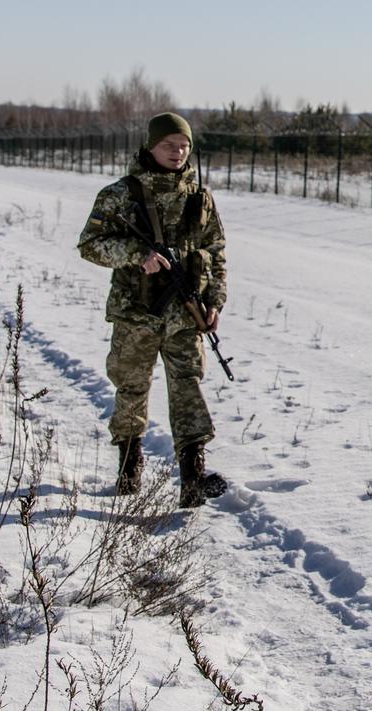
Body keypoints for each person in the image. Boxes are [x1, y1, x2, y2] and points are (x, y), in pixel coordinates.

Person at [78, 111, 228, 508]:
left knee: (188, 387)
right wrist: (136, 253)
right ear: (150, 146)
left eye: (184, 146)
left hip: (184, 315)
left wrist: (214, 302)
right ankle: (129, 465)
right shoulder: (121, 194)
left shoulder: (200, 197)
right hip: (135, 313)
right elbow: (90, 244)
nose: (177, 153)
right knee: (131, 387)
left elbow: (216, 252)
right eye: (168, 145)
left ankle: (193, 476)